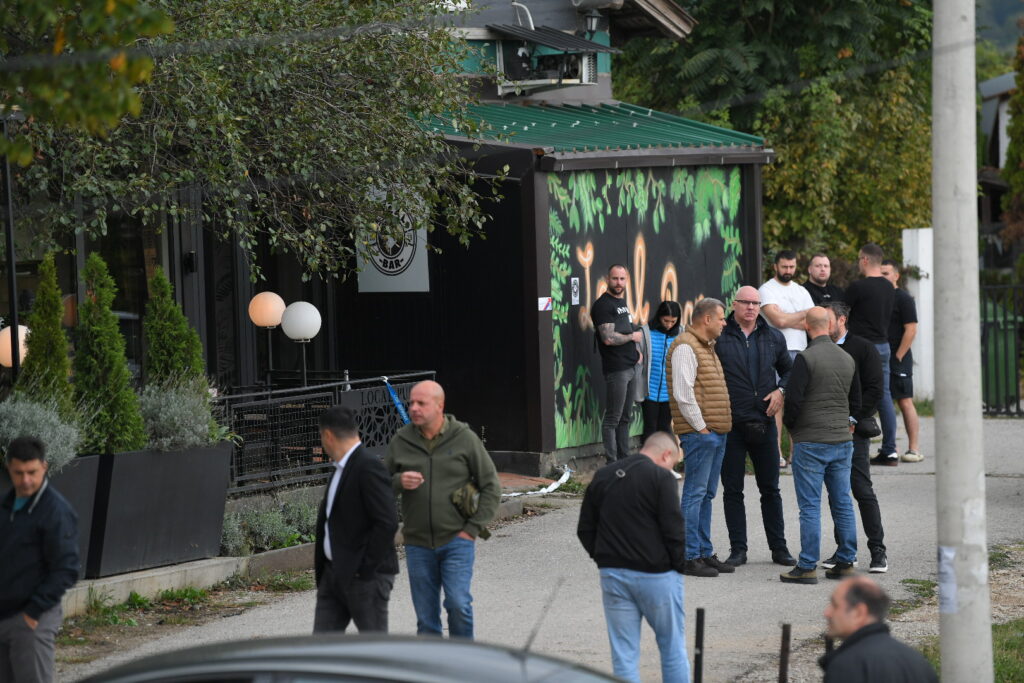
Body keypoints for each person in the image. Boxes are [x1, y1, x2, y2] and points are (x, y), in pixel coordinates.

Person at [384, 380, 500, 639]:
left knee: (458, 605)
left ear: (440, 406)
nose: (414, 408)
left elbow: (491, 487)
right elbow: (379, 487)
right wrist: (398, 482)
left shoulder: (464, 439)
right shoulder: (401, 441)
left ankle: (460, 665)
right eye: (411, 402)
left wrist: (471, 530)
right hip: (417, 543)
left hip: (457, 540)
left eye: (421, 403)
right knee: (426, 621)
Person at [577, 432, 690, 683]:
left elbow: (585, 528)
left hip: (613, 573)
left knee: (624, 654)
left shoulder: (604, 475)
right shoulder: (661, 478)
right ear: (666, 454)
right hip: (657, 575)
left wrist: (604, 558)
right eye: (673, 464)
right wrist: (677, 567)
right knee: (672, 648)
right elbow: (674, 529)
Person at [715, 286, 796, 568]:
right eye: (745, 302)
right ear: (734, 305)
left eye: (756, 303)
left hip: (764, 422)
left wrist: (781, 391)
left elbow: (789, 370)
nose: (751, 307)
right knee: (732, 490)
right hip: (731, 424)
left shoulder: (773, 337)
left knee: (770, 489)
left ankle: (779, 548)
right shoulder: (720, 336)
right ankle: (738, 549)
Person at [780, 308, 860, 585]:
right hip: (841, 440)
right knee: (842, 502)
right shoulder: (847, 358)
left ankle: (807, 565)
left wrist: (793, 429)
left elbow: (794, 400)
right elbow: (855, 400)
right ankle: (847, 559)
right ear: (829, 324)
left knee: (810, 506)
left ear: (805, 325)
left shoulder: (806, 358)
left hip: (811, 441)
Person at [0, 436, 79, 683]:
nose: (25, 480)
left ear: (44, 467)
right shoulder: (6, 505)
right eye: (18, 472)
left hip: (31, 620)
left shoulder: (56, 511)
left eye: (32, 472)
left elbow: (67, 569)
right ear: (8, 468)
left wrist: (33, 613)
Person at [313, 405, 399, 634]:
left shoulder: (368, 467)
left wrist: (366, 569)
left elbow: (387, 521)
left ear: (328, 435)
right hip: (334, 576)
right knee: (321, 651)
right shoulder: (340, 468)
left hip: (364, 578)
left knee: (373, 654)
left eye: (321, 437)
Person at [667, 297, 733, 578]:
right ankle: (688, 555)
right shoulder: (685, 346)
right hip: (701, 434)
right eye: (721, 318)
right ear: (706, 319)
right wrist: (702, 429)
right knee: (695, 494)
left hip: (716, 433)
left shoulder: (707, 347)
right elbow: (684, 394)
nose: (724, 323)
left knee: (706, 494)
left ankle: (704, 552)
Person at [822, 302, 889, 574]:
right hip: (827, 431)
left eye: (827, 320)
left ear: (842, 320)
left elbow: (875, 390)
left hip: (853, 432)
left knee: (861, 490)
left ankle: (878, 551)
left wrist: (852, 418)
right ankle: (845, 551)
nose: (822, 325)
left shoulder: (863, 348)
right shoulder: (819, 348)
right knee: (837, 493)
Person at [820, 577, 938, 682]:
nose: (827, 613)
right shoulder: (917, 661)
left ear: (859, 612)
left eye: (835, 605)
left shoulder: (847, 666)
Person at [759, 250, 815, 466]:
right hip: (774, 351)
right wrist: (802, 314)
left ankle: (796, 454)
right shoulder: (766, 290)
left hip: (800, 351)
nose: (788, 271)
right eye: (784, 267)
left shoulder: (801, 290)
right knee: (776, 403)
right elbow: (777, 321)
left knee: (797, 403)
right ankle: (776, 454)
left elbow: (813, 322)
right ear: (775, 266)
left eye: (792, 267)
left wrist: (786, 316)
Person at [842, 244, 897, 465]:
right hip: (883, 345)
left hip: (861, 347)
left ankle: (851, 439)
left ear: (864, 260)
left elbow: (841, 313)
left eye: (858, 259)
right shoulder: (888, 287)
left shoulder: (858, 287)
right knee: (883, 394)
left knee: (852, 390)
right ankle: (890, 449)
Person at [591, 264, 643, 461]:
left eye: (622, 279)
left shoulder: (620, 303)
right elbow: (608, 338)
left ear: (626, 280)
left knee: (625, 418)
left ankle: (624, 460)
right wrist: (632, 338)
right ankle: (612, 464)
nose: (618, 283)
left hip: (630, 366)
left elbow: (627, 328)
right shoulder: (603, 305)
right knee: (613, 418)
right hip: (617, 369)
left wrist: (636, 352)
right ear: (607, 279)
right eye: (615, 278)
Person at [880, 259, 923, 463]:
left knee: (904, 400)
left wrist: (898, 355)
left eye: (886, 273)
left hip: (898, 357)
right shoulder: (877, 298)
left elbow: (911, 329)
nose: (883, 277)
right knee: (881, 400)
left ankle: (914, 448)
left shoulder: (904, 299)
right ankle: (889, 448)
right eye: (880, 273)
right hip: (879, 357)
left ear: (896, 275)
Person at [638, 301, 682, 439]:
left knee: (665, 427)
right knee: (650, 427)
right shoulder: (646, 332)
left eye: (673, 321)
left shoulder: (681, 333)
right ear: (659, 317)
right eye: (666, 320)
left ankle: (663, 459)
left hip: (669, 392)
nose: (669, 325)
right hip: (650, 391)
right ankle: (648, 460)